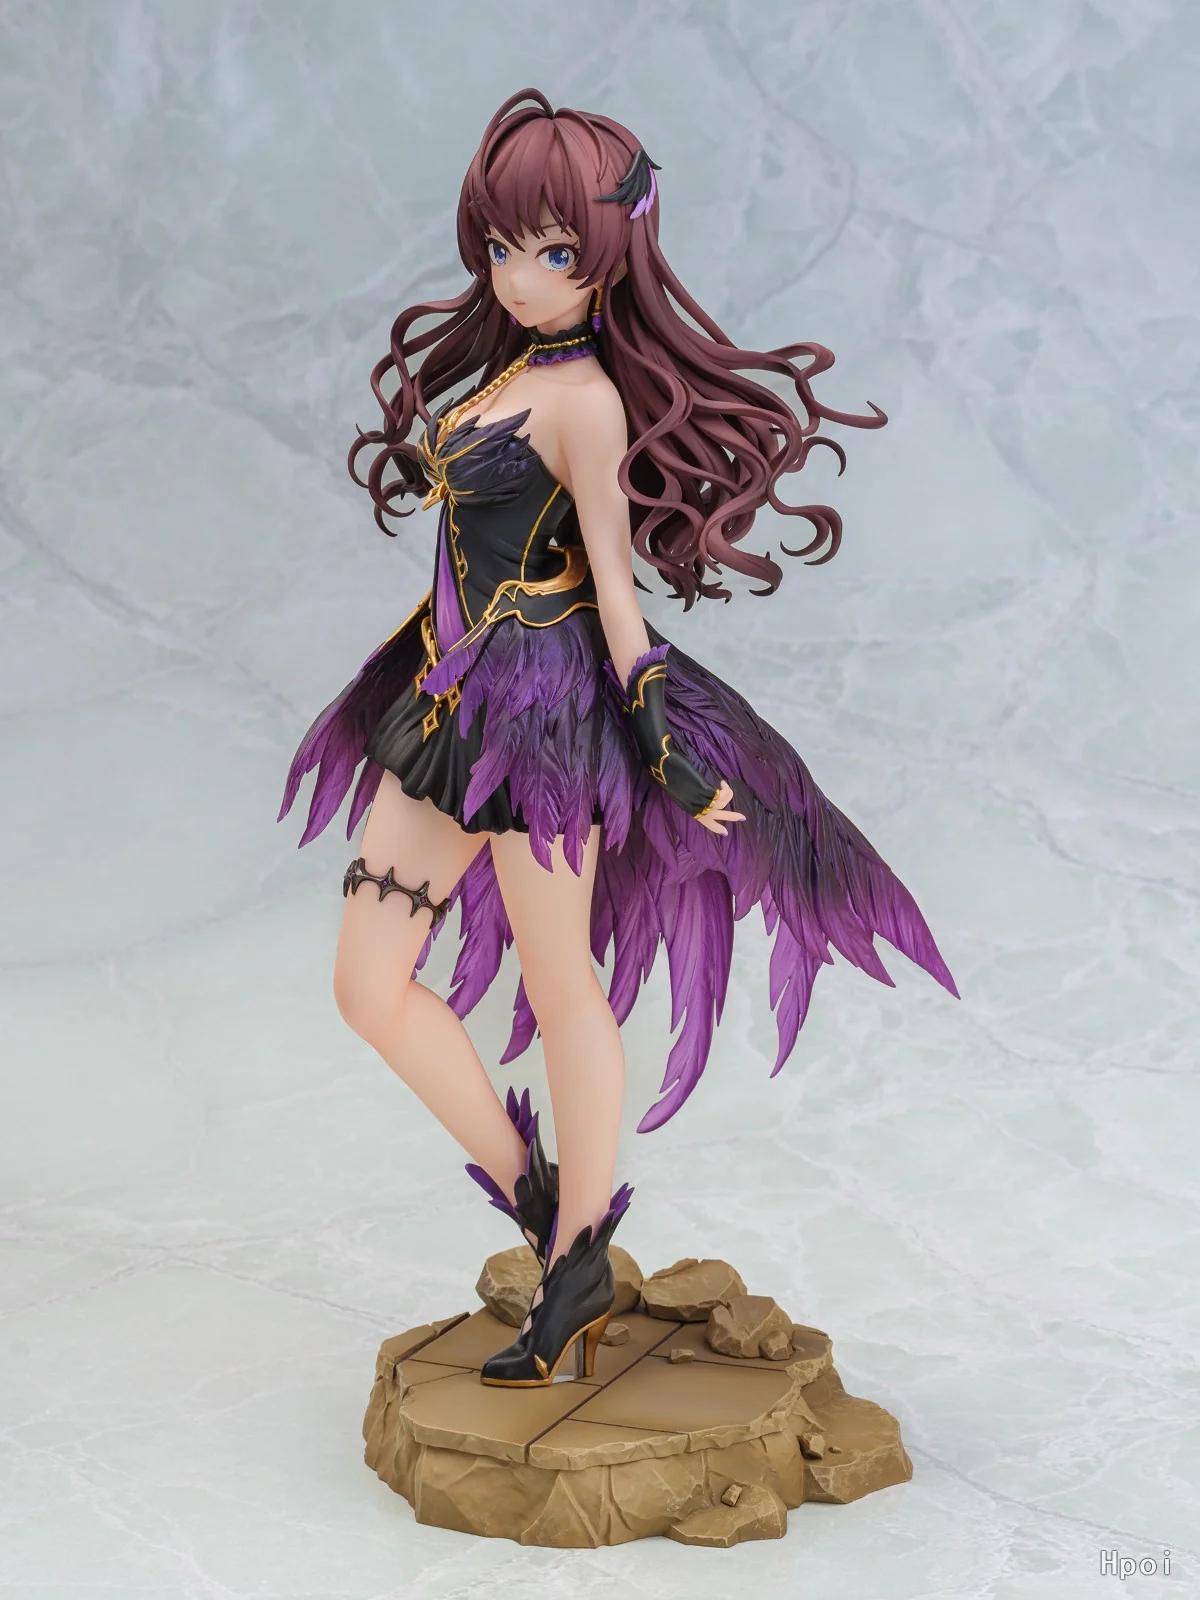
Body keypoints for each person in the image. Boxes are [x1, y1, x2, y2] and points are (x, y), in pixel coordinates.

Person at [278, 88, 958, 1388]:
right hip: (447, 705)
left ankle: (578, 1252)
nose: (517, 275)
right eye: (501, 246)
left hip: (545, 720)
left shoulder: (584, 399)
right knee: (369, 985)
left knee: (559, 983)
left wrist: (666, 745)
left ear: (608, 252)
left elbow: (613, 588)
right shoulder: (512, 371)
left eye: (549, 250)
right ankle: (544, 1203)